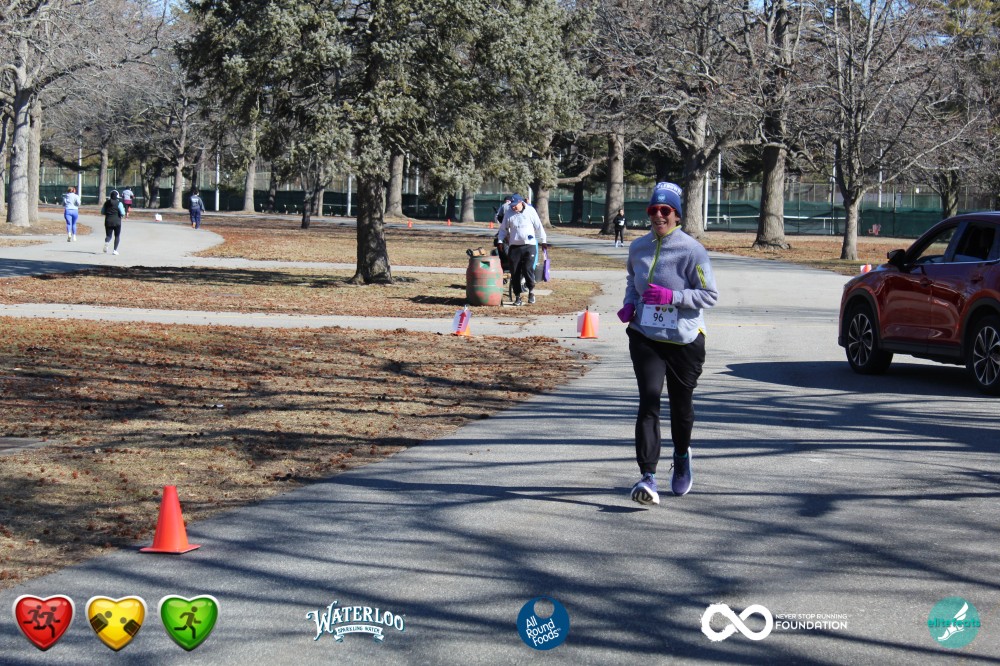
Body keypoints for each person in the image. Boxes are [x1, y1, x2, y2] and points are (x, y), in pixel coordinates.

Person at [617, 182, 718, 506]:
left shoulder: (692, 250)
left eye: (666, 210)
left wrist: (672, 297)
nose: (658, 215)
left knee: (680, 408)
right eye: (653, 209)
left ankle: (682, 454)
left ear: (676, 214)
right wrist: (630, 303)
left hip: (684, 340)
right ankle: (648, 476)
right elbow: (632, 281)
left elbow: (709, 295)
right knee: (648, 401)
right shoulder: (638, 247)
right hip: (645, 336)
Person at [497, 193, 547, 306]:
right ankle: (517, 296)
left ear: (521, 202)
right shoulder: (509, 213)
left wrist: (543, 241)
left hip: (529, 245)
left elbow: (539, 226)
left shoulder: (530, 211)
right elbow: (503, 229)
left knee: (527, 269)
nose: (514, 207)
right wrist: (500, 240)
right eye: (512, 205)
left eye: (515, 205)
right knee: (515, 272)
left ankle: (531, 292)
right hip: (514, 246)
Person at [101, 190, 126, 255]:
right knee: (117, 236)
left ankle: (107, 242)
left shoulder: (106, 203)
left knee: (108, 235)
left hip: (108, 221)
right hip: (117, 221)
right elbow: (123, 213)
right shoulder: (119, 203)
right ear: (117, 196)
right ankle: (115, 250)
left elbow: (102, 212)